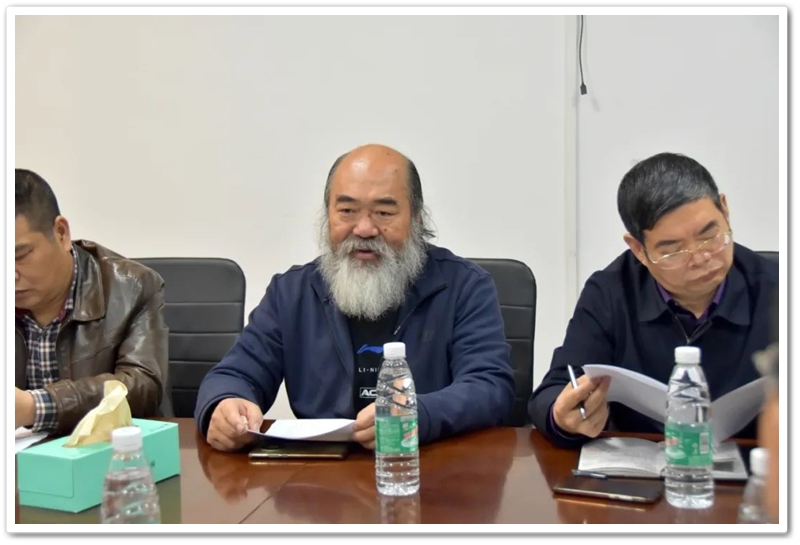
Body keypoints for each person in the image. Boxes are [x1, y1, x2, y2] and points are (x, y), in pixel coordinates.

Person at [195, 143, 515, 452]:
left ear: (416, 218)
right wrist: (225, 403)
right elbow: (233, 375)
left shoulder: (464, 286)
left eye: (383, 212)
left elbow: (489, 386)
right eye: (347, 211)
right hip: (320, 475)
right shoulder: (291, 293)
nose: (364, 228)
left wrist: (420, 414)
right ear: (328, 215)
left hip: (426, 467)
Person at [529, 152, 778, 447]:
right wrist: (564, 418)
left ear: (724, 210)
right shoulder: (611, 292)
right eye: (673, 251)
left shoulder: (778, 288)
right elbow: (555, 390)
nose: (700, 258)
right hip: (643, 466)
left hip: (756, 466)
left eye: (710, 236)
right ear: (638, 249)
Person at [15, 169, 170, 435]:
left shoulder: (133, 287)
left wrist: (34, 407)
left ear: (61, 233)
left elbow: (142, 387)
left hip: (111, 453)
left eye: (19, 255)